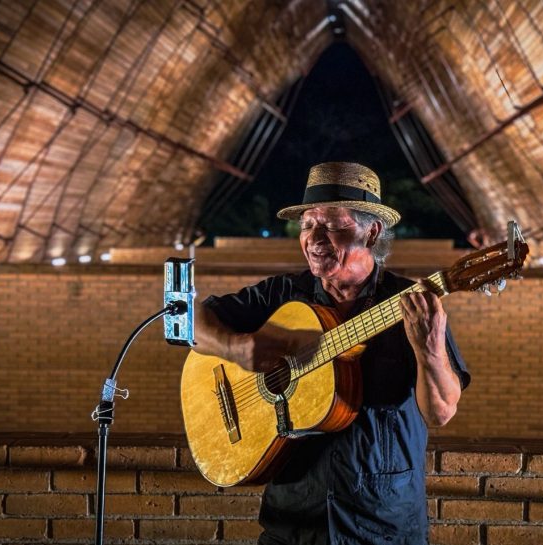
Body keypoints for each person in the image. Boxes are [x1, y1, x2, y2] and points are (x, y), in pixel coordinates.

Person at [193, 162, 470, 545]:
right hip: (291, 526)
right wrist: (234, 347)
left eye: (333, 225)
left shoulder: (413, 305)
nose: (314, 238)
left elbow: (440, 413)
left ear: (371, 232)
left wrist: (430, 349)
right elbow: (188, 320)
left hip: (383, 527)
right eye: (307, 225)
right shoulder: (280, 296)